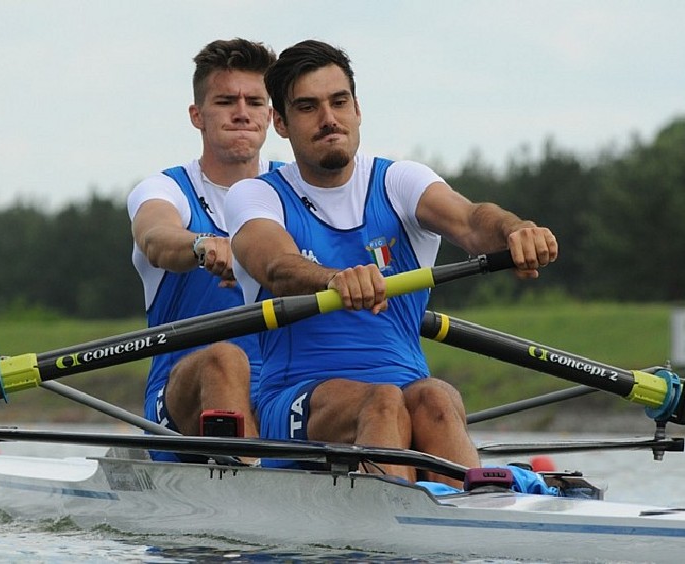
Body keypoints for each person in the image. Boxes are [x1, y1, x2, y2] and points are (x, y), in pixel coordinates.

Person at [224, 40, 558, 486]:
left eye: (339, 102)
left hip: (408, 390)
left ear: (357, 109)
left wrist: (517, 230)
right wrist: (334, 279)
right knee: (381, 402)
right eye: (308, 107)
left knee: (437, 397)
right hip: (294, 402)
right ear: (281, 124)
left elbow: (474, 220)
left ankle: (483, 521)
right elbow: (276, 267)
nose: (329, 119)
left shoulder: (400, 181)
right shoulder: (256, 195)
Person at [127, 38, 281, 460]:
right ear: (198, 115)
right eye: (226, 101)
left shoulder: (295, 189)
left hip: (283, 391)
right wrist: (203, 245)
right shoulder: (165, 189)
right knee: (225, 361)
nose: (242, 112)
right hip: (182, 403)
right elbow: (155, 237)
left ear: (271, 115)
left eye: (255, 101)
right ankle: (256, 484)